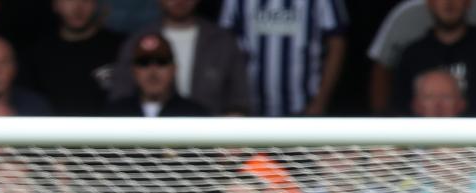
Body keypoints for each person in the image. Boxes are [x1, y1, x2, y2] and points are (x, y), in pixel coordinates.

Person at [108, 0, 250, 116]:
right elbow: (120, 96)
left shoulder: (222, 41)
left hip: (211, 136)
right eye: (145, 63)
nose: (180, 1)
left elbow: (240, 101)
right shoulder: (138, 40)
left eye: (162, 63)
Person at [219, 0, 347, 117]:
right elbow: (223, 42)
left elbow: (337, 44)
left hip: (303, 106)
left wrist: (320, 101)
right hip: (249, 107)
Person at [391, 0, 476, 117]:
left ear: (468, 2)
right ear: (430, 2)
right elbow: (401, 110)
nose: (449, 2)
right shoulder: (412, 55)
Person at [25, 0, 123, 116]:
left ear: (96, 4)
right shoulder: (38, 53)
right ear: (55, 5)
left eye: (86, 1)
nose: (77, 8)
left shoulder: (122, 48)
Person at [105, 30, 209, 116]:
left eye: (161, 62)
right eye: (144, 63)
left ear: (174, 69)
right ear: (133, 71)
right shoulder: (114, 115)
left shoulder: (195, 115)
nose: (153, 71)